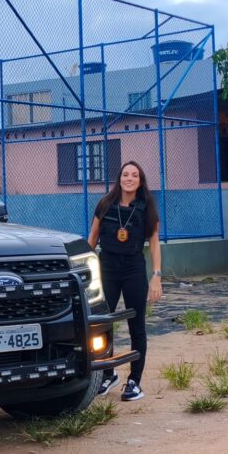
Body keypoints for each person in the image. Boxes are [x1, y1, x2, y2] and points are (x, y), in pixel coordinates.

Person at [87, 161, 162, 401]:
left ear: (140, 181)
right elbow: (92, 238)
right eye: (126, 174)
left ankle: (134, 382)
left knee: (136, 325)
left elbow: (154, 243)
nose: (129, 178)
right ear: (119, 178)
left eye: (135, 175)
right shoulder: (105, 204)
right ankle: (107, 374)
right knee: (101, 324)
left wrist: (156, 276)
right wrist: (84, 271)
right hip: (107, 268)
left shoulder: (147, 207)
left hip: (133, 269)